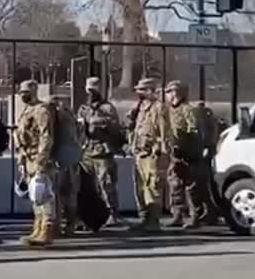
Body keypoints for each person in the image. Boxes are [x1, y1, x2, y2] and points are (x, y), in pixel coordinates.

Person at [77, 77, 124, 226]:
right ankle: (88, 215)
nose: (91, 92)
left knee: (106, 183)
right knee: (86, 185)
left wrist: (99, 122)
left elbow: (115, 128)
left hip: (102, 149)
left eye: (94, 89)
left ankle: (112, 213)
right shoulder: (84, 108)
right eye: (89, 89)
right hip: (87, 150)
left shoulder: (107, 108)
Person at [15, 80, 56, 246]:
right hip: (29, 157)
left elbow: (46, 137)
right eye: (21, 92)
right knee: (34, 195)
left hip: (40, 158)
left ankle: (47, 230)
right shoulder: (28, 110)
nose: (23, 95)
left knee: (43, 194)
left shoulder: (41, 110)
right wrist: (22, 158)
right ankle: (37, 228)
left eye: (26, 92)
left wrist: (41, 160)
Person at [129, 78, 171, 232]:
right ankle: (144, 218)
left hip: (152, 153)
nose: (138, 93)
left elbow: (163, 130)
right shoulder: (140, 108)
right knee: (140, 188)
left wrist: (161, 148)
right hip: (140, 152)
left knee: (152, 186)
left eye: (141, 90)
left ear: (149, 91)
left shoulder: (159, 108)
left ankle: (154, 220)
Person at [165, 80, 204, 229]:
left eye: (171, 92)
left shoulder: (187, 109)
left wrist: (184, 141)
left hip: (187, 153)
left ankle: (195, 216)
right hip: (175, 154)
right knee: (174, 184)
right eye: (168, 92)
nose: (168, 95)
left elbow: (194, 130)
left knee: (191, 186)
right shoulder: (169, 110)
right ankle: (178, 214)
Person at [49, 94, 81, 237]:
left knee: (61, 193)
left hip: (63, 158)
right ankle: (69, 223)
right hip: (70, 157)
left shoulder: (59, 118)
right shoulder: (68, 117)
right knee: (67, 193)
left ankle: (62, 224)